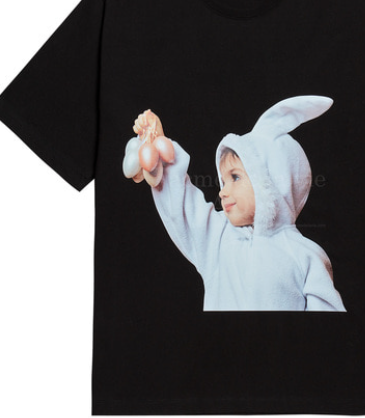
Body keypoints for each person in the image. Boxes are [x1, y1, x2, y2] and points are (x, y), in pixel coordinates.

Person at [127, 95, 346, 311]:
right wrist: (159, 151)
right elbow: (182, 206)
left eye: (235, 177)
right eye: (223, 181)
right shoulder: (217, 239)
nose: (222, 192)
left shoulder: (306, 256)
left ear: (272, 182)